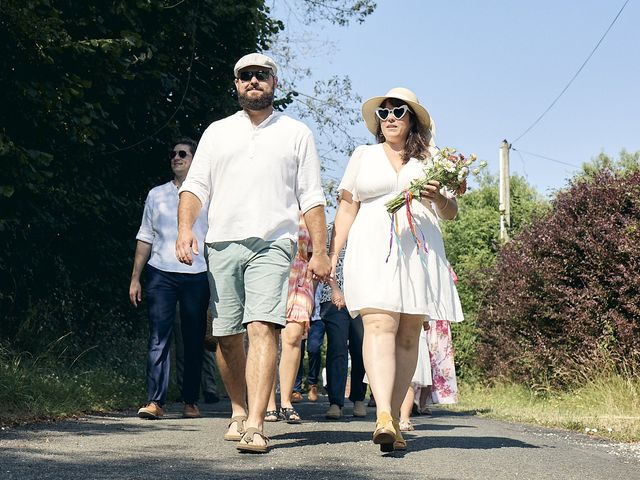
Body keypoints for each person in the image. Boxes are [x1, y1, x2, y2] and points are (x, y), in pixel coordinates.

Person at [175, 52, 331, 454]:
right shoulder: (217, 132)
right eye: (245, 76)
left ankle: (258, 425)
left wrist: (319, 252)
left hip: (274, 242)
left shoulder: (296, 133)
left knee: (262, 326)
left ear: (274, 83)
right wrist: (185, 229)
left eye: (261, 75)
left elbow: (311, 196)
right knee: (227, 336)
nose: (253, 81)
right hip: (222, 241)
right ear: (236, 84)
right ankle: (239, 409)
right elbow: (195, 187)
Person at [329, 87, 464, 452]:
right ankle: (384, 416)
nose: (389, 118)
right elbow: (346, 207)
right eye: (383, 113)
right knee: (378, 323)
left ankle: (393, 415)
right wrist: (332, 256)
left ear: (412, 118)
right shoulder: (363, 155)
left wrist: (437, 195)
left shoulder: (433, 158)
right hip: (372, 244)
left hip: (420, 247)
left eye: (397, 111)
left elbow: (451, 211)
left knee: (408, 333)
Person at [129, 138, 209, 420]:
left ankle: (190, 401)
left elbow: (214, 239)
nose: (176, 157)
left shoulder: (207, 196)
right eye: (173, 153)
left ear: (194, 159)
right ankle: (155, 401)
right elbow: (145, 237)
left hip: (196, 275)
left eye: (182, 153)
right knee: (158, 336)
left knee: (192, 339)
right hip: (160, 273)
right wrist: (135, 278)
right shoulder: (156, 194)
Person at [265, 214, 315, 423]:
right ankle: (267, 403)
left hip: (300, 276)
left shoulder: (310, 211)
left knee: (293, 336)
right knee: (267, 337)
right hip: (268, 272)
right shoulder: (270, 202)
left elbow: (315, 250)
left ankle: (286, 400)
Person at [320, 223, 367, 420]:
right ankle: (335, 402)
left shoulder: (366, 227)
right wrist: (335, 289)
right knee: (337, 348)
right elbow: (324, 263)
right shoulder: (330, 230)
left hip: (363, 299)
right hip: (333, 298)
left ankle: (358, 398)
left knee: (361, 348)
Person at [174, 306, 221, 404]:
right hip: (179, 296)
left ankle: (210, 389)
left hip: (206, 298)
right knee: (182, 346)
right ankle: (184, 389)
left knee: (207, 343)